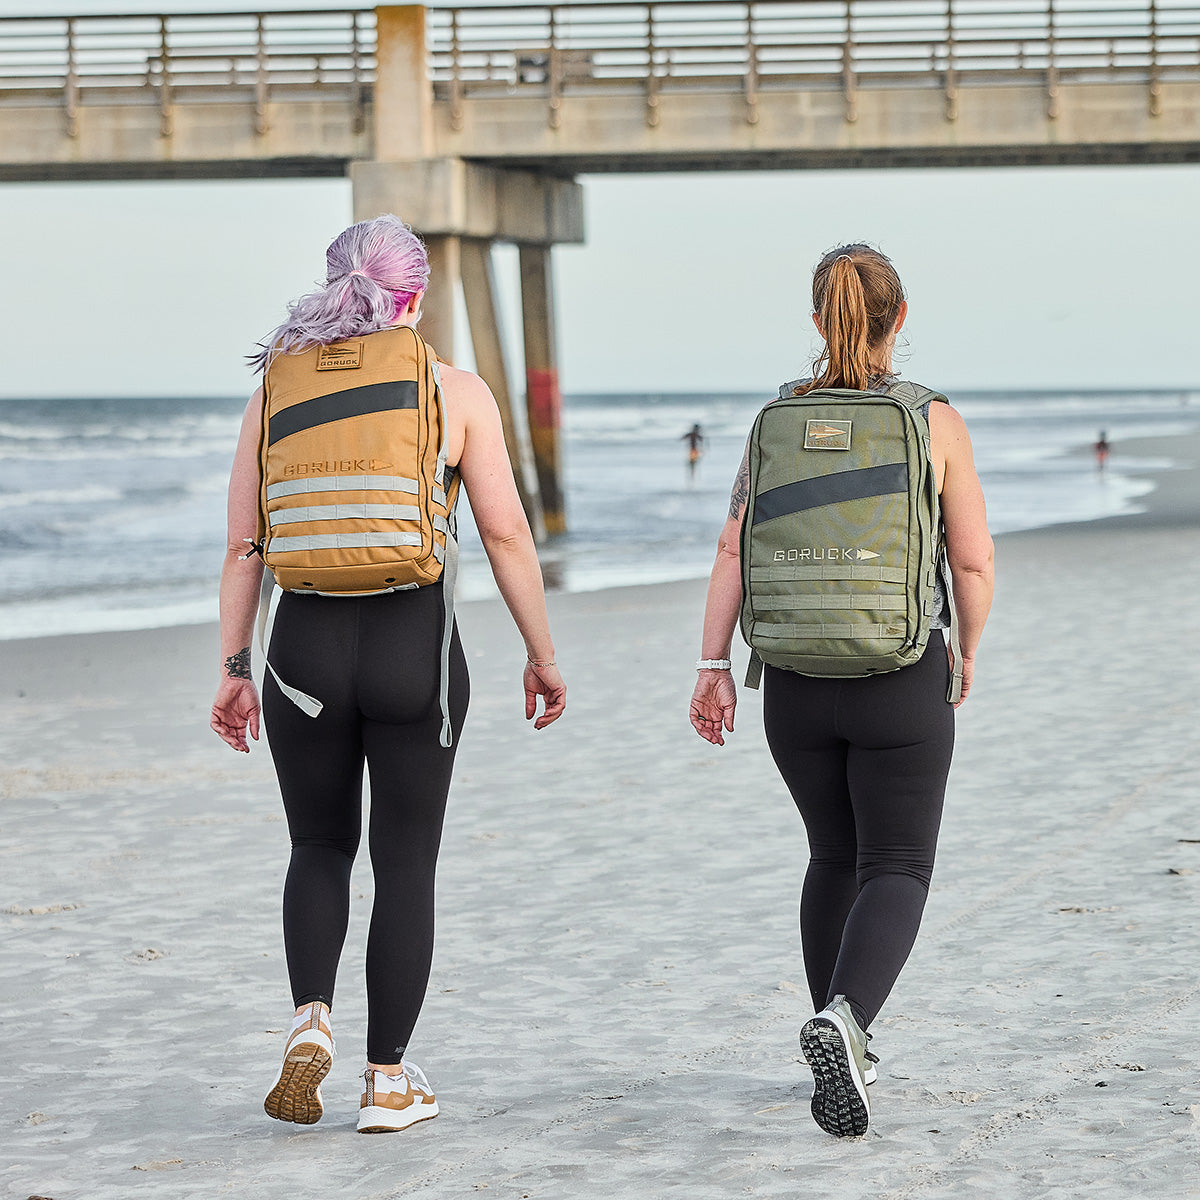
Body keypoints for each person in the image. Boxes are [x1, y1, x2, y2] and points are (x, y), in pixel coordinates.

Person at [210, 214, 566, 1134]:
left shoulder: (273, 393)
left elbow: (246, 547)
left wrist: (235, 667)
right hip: (416, 650)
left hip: (302, 655)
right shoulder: (454, 391)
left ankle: (309, 1021)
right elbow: (505, 534)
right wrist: (541, 653)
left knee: (318, 848)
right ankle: (386, 1081)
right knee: (406, 866)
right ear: (412, 296)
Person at [688, 244, 994, 1138]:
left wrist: (712, 667)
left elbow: (730, 551)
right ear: (900, 319)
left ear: (818, 322)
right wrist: (966, 649)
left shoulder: (777, 419)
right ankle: (846, 1024)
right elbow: (970, 559)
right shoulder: (932, 420)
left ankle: (834, 1030)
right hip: (899, 673)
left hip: (792, 680)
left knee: (831, 854)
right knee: (897, 863)